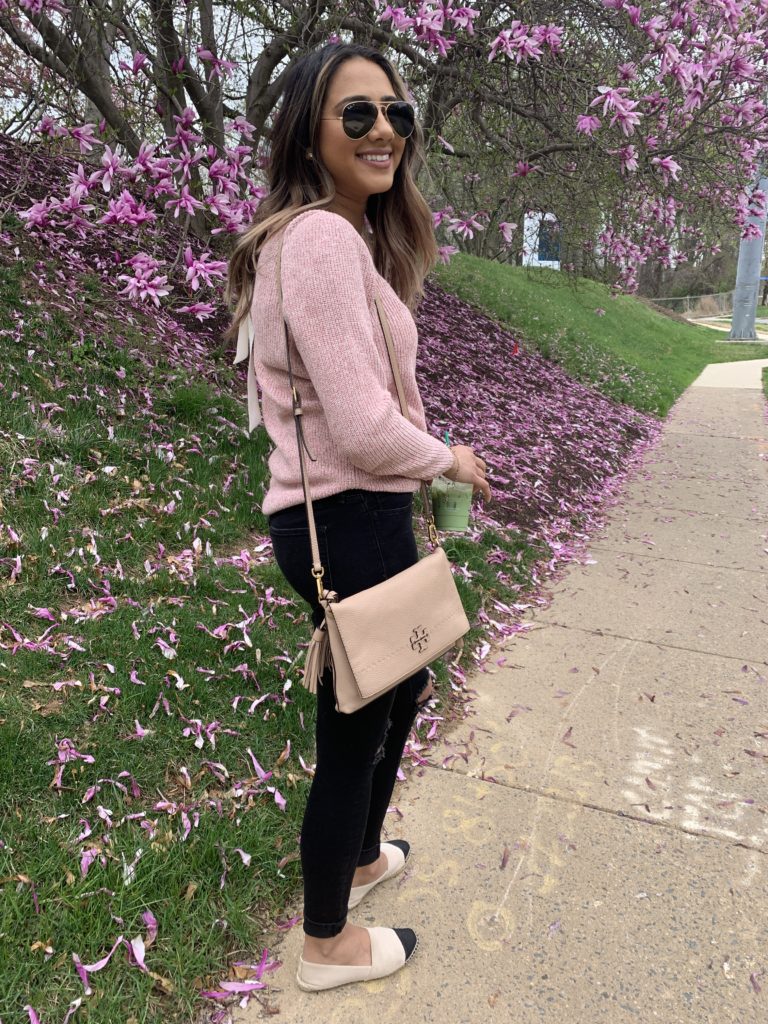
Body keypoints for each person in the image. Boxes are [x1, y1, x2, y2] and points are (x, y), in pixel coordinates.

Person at [225, 41, 490, 993]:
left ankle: (364, 856)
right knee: (354, 723)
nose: (385, 129)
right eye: (358, 114)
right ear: (311, 128)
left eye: (397, 113)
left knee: (398, 684)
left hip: (348, 514)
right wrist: (448, 460)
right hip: (347, 517)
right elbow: (369, 428)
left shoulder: (329, 237)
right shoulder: (322, 240)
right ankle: (326, 943)